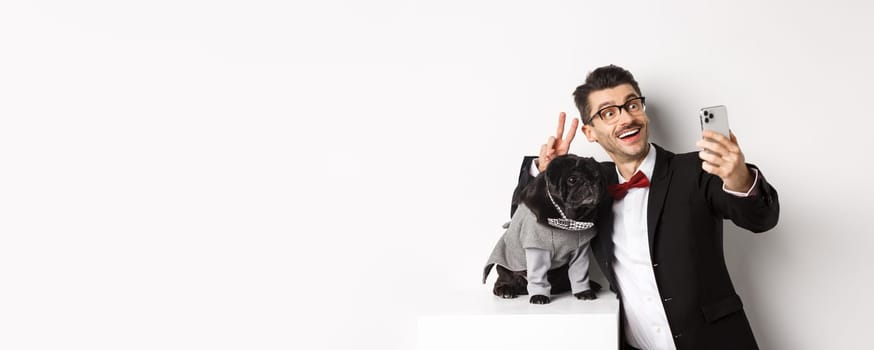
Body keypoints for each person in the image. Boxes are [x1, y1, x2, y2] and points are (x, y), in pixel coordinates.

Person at [513, 65, 779, 350]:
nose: (626, 118)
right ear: (589, 132)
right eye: (609, 113)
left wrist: (739, 177)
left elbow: (760, 219)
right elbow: (526, 227)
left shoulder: (698, 169)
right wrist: (546, 174)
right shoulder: (590, 186)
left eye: (632, 104)